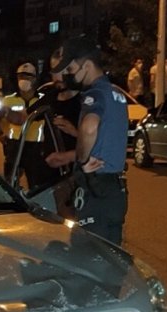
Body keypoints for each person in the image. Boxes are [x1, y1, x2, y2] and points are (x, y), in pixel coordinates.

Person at [50, 36, 130, 244]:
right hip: (115, 191)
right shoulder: (116, 94)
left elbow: (89, 127)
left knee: (88, 256)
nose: (68, 75)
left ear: (86, 65)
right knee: (112, 256)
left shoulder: (94, 94)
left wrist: (83, 161)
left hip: (96, 188)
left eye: (70, 70)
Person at [37, 54, 84, 217]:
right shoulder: (50, 97)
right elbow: (26, 117)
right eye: (54, 71)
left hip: (73, 178)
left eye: (61, 70)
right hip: (49, 178)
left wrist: (75, 131)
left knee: (72, 225)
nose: (57, 77)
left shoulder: (84, 101)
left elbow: (98, 144)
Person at [0, 62, 51, 188]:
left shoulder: (43, 99)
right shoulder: (8, 100)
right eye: (21, 76)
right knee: (10, 182)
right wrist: (1, 134)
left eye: (28, 76)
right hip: (14, 145)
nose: (24, 79)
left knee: (36, 183)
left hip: (36, 147)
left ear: (35, 78)